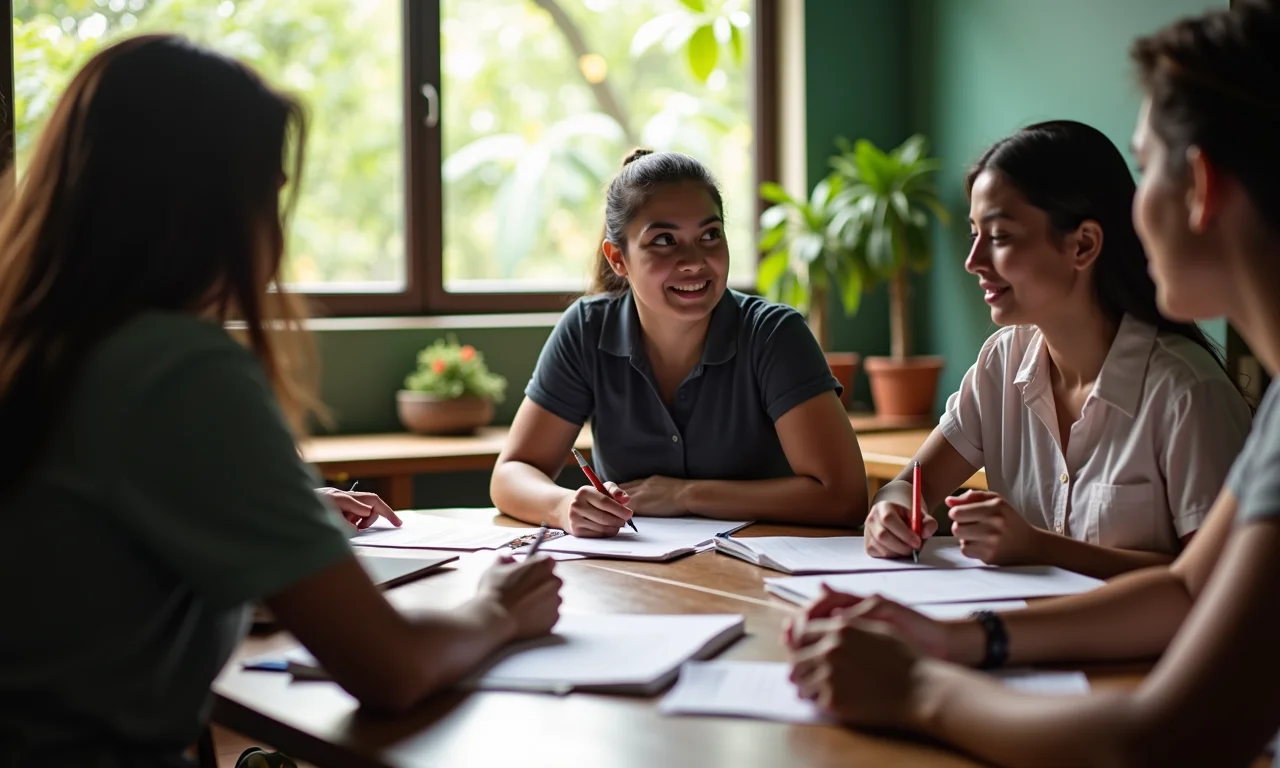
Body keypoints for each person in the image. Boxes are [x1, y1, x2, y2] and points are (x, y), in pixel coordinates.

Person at [0, 35, 561, 767]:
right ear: (212, 204)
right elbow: (390, 668)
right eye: (270, 188)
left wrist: (267, 516)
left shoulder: (38, 344)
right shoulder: (174, 368)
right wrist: (498, 610)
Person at [787, 2, 1280, 765]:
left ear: (1202, 187)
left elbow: (1166, 734)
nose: (975, 262)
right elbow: (1187, 589)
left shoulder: (1187, 390)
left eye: (1146, 169)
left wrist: (919, 686)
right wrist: (951, 636)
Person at [862, 119, 1251, 579]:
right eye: (974, 235)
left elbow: (1213, 587)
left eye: (1000, 237)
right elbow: (909, 487)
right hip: (1016, 638)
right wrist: (889, 513)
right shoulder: (1001, 363)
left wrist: (1039, 548)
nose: (973, 262)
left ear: (1083, 245)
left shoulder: (1188, 393)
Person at [491, 150, 868, 537]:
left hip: (763, 576)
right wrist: (562, 506)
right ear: (618, 258)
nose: (693, 261)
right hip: (631, 575)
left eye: (709, 235)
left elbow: (844, 496)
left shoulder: (774, 334)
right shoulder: (587, 330)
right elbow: (511, 473)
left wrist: (687, 495)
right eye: (664, 240)